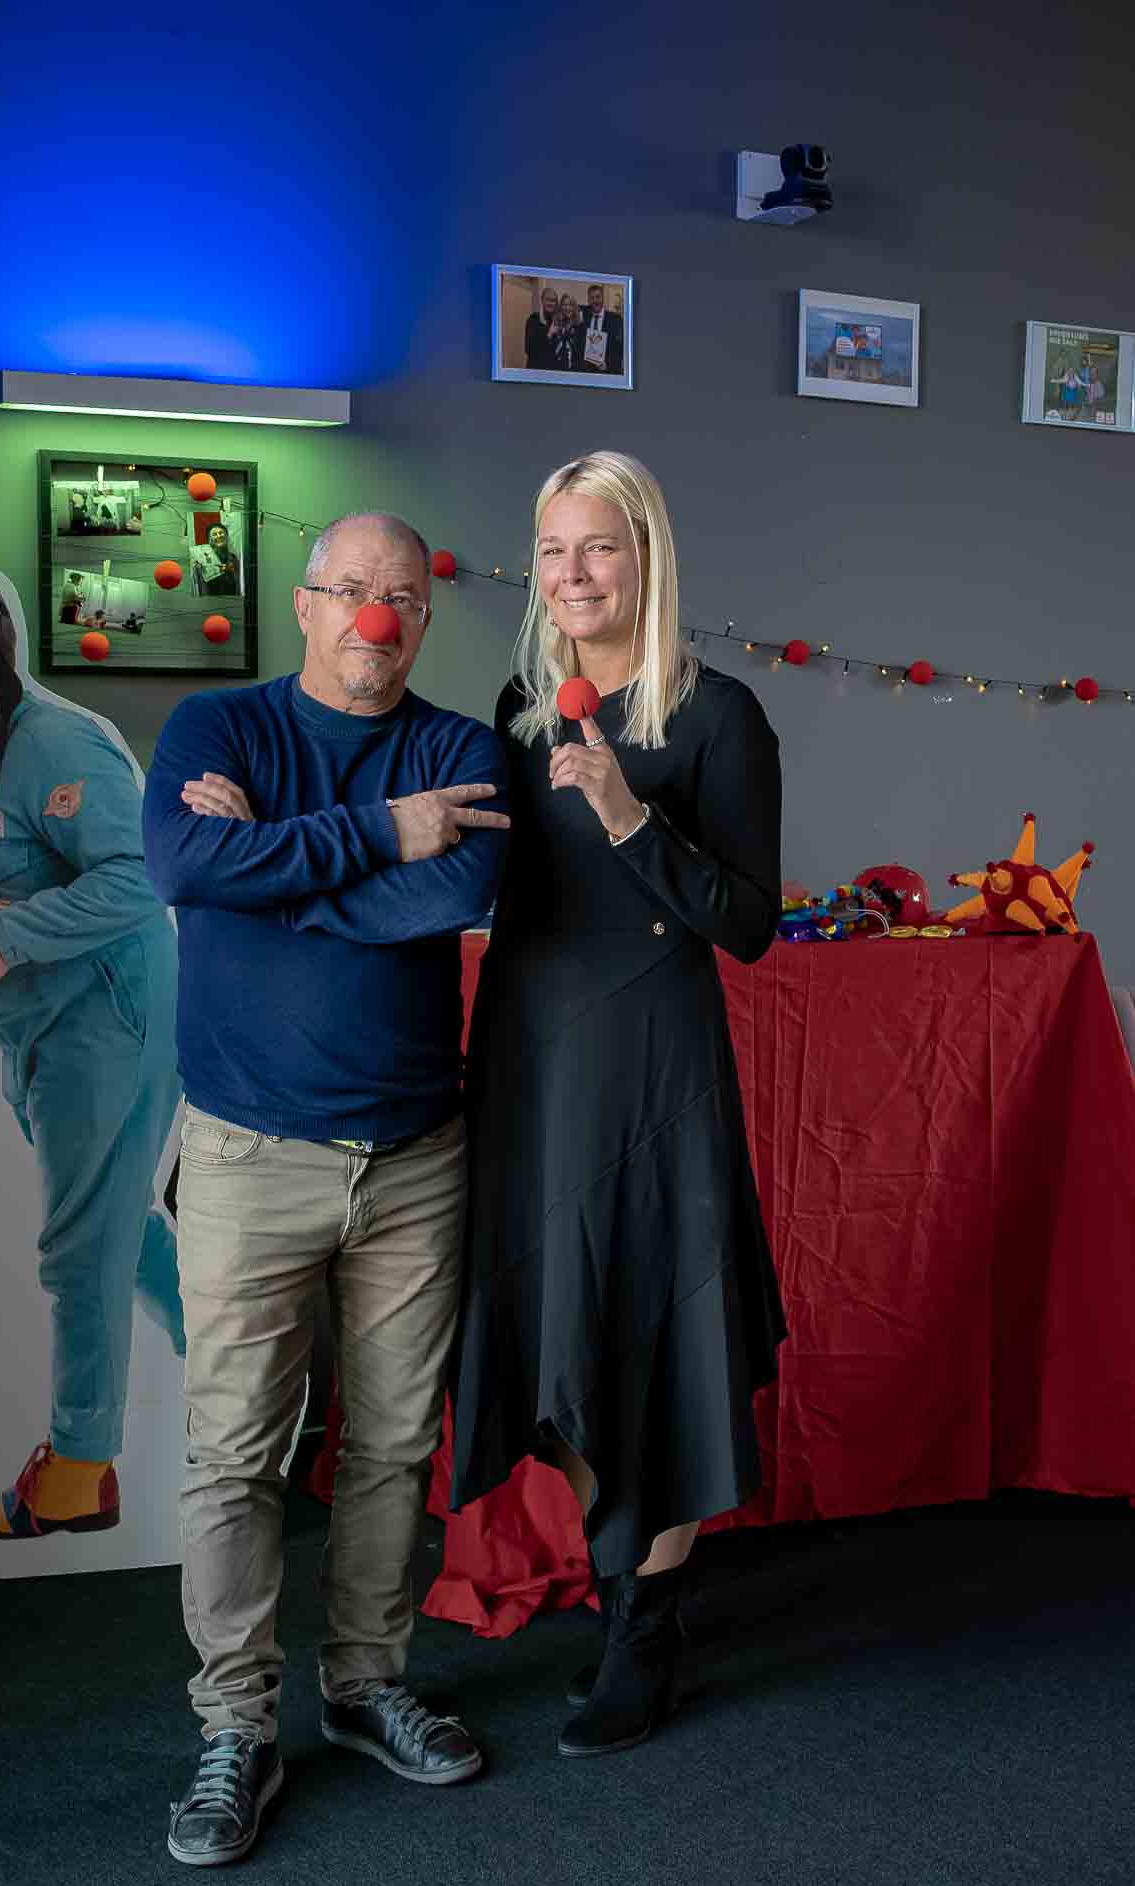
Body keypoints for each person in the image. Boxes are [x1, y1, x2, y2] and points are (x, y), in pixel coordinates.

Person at [143, 511, 510, 1867]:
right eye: (350, 589)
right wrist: (377, 831)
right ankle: (235, 1724)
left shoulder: (463, 751)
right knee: (236, 1455)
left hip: (415, 1157)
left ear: (426, 616)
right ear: (302, 605)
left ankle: (363, 1686)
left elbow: (449, 896)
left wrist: (276, 866)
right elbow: (183, 867)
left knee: (394, 1444)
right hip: (246, 1154)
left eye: (401, 594)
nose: (375, 615)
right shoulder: (217, 727)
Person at [450, 450, 786, 1759]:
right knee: (561, 1324)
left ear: (646, 557)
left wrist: (632, 818)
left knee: (652, 1324)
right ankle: (615, 1572)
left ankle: (644, 1626)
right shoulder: (521, 705)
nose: (571, 572)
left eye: (597, 546)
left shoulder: (718, 716)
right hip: (533, 1055)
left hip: (653, 1062)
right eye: (553, 549)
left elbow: (747, 924)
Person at [0, 552, 185, 1544]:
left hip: (108, 1016)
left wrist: (6, 936)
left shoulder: (56, 741)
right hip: (28, 1031)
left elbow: (140, 875)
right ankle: (232, 1377)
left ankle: (77, 1472)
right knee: (118, 1225)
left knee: (80, 1245)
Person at [580, 284, 624, 376]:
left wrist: (608, 365)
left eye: (598, 297)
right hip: (586, 372)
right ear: (588, 300)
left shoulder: (615, 319)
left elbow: (620, 348)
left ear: (603, 298)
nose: (595, 301)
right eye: (592, 298)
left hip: (607, 372)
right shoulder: (583, 317)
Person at [524, 285, 560, 370]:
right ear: (542, 300)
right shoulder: (533, 319)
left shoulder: (557, 321)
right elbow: (528, 349)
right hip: (536, 369)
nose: (551, 303)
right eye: (548, 300)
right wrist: (548, 334)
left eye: (554, 301)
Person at [551, 293, 584, 373]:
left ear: (574, 307)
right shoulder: (556, 324)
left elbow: (582, 352)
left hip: (575, 370)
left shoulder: (580, 327)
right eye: (565, 305)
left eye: (570, 305)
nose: (567, 308)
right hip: (556, 369)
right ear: (561, 307)